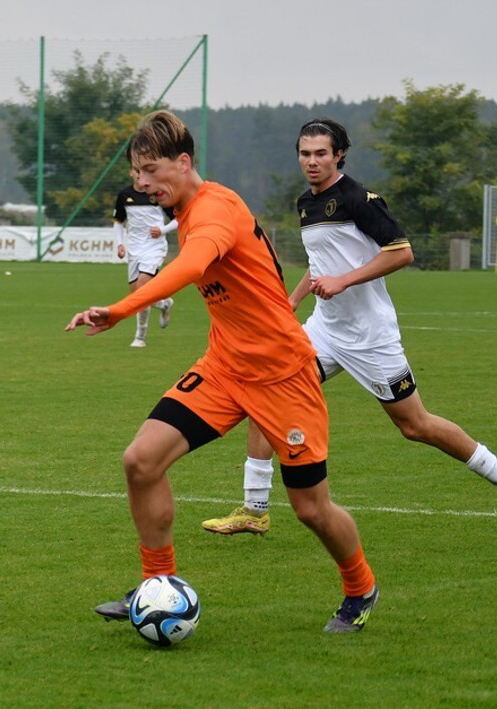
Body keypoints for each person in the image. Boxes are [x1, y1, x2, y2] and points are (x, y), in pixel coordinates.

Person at [66, 110, 379, 633]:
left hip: (282, 374)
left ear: (183, 162)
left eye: (150, 170)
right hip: (225, 367)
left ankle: (361, 586)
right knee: (141, 461)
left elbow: (189, 268)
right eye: (135, 174)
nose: (141, 183)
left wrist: (120, 310)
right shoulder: (187, 208)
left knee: (311, 509)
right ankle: (156, 585)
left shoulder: (214, 209)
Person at [203, 118, 497, 535]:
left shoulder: (360, 198)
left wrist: (344, 281)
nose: (312, 161)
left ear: (339, 154)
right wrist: (292, 299)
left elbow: (401, 253)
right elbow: (320, 263)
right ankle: (254, 509)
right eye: (305, 154)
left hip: (370, 337)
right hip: (325, 331)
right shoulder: (305, 203)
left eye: (321, 153)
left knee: (415, 425)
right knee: (266, 391)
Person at [113, 168, 179, 348]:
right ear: (131, 173)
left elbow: (178, 219)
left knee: (143, 288)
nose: (140, 175)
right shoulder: (124, 195)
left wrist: (162, 230)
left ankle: (140, 337)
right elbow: (119, 222)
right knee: (137, 296)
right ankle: (164, 304)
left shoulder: (158, 194)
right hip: (134, 249)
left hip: (154, 248)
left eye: (143, 172)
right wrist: (120, 244)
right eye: (136, 172)